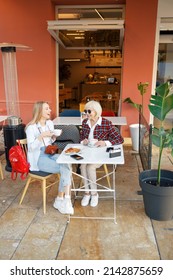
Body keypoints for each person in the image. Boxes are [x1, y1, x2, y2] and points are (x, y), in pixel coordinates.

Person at [25, 101, 74, 215]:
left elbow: (51, 142)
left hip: (50, 153)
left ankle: (61, 199)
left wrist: (53, 136)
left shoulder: (49, 123)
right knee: (65, 168)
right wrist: (41, 136)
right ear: (39, 111)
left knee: (66, 164)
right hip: (39, 158)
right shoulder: (30, 128)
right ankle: (64, 200)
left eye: (49, 108)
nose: (50, 111)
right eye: (47, 109)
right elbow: (31, 148)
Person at [80, 100, 124, 207]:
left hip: (100, 153)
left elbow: (120, 139)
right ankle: (87, 193)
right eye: (85, 111)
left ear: (96, 111)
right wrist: (83, 141)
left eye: (89, 111)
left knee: (90, 167)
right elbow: (81, 138)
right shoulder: (84, 123)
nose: (86, 113)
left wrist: (105, 142)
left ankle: (94, 194)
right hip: (87, 152)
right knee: (82, 166)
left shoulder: (106, 123)